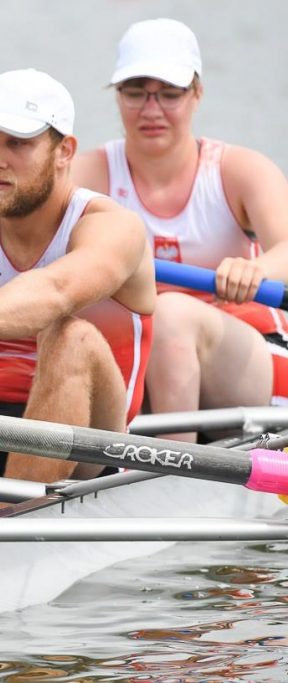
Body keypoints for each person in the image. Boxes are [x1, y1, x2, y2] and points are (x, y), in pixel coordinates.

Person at [0, 69, 155, 500]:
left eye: (18, 144)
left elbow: (55, 293)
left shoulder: (113, 227)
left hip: (91, 443)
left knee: (72, 335)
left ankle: (12, 523)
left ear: (65, 151)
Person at [73, 18, 288, 442]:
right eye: (135, 92)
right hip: (145, 360)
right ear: (117, 96)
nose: (151, 110)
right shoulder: (89, 173)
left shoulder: (238, 171)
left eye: (169, 93)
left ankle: (172, 477)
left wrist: (258, 270)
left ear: (197, 94)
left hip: (253, 368)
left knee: (168, 314)